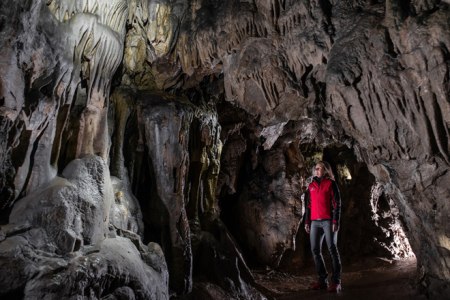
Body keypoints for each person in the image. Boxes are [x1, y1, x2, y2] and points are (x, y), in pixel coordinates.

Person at [304, 161, 342, 292]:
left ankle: (336, 281)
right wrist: (307, 222)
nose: (316, 170)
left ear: (325, 170)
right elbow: (308, 206)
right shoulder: (311, 186)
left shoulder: (331, 184)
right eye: (315, 168)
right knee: (315, 250)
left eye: (319, 168)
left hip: (328, 221)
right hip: (314, 222)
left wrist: (335, 222)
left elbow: (337, 204)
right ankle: (322, 280)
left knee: (332, 249)